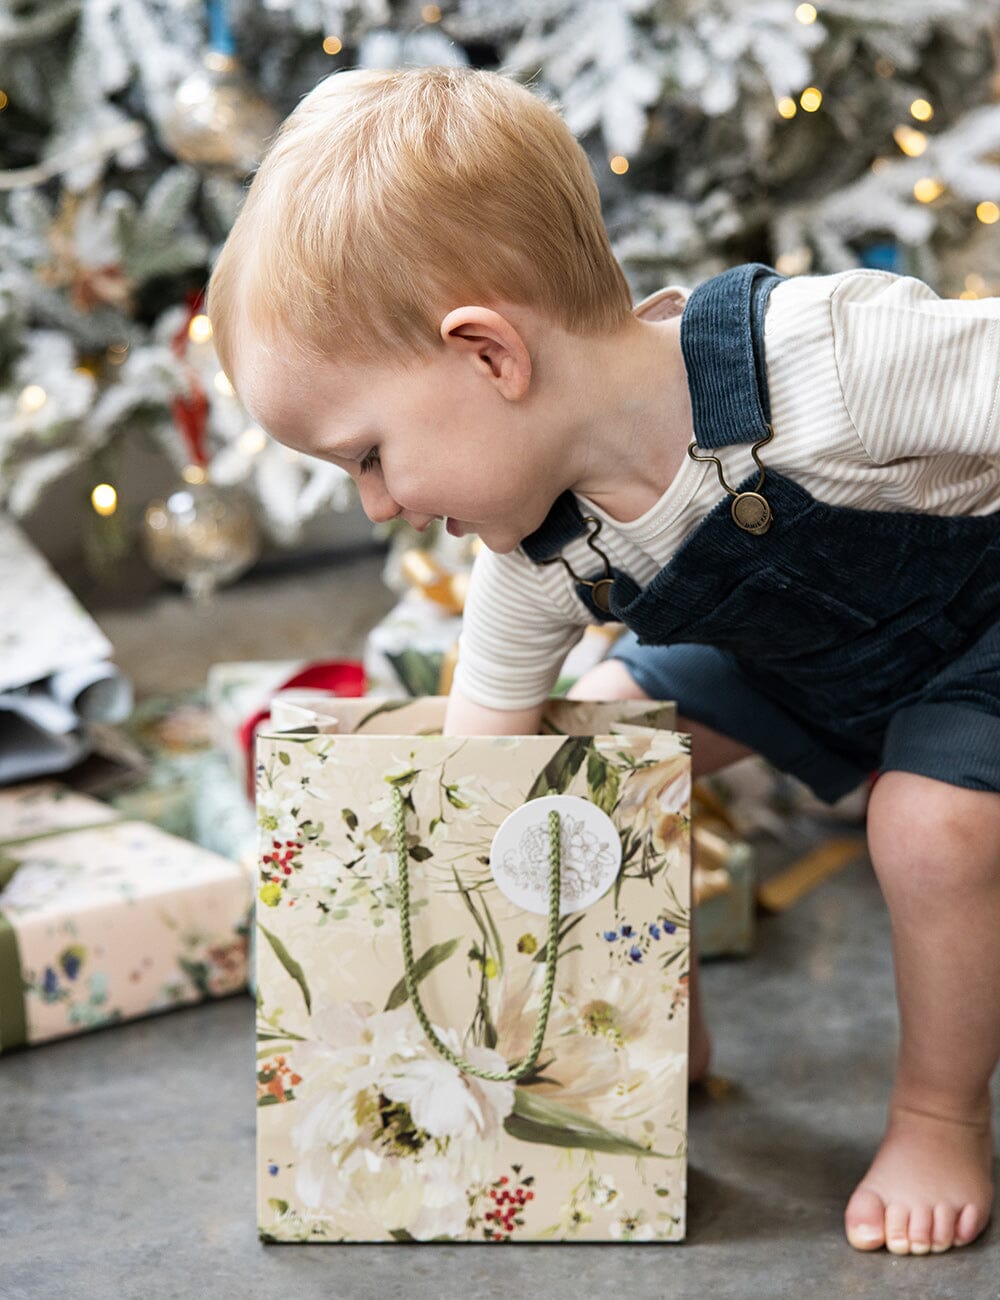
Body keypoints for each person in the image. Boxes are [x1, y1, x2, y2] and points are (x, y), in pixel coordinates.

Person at [206, 65, 999, 1256]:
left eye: (367, 455)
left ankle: (937, 1111)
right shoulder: (536, 554)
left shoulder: (821, 362)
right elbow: (488, 774)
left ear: (487, 355)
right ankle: (637, 1025)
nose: (375, 507)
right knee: (596, 767)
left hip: (976, 626)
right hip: (792, 662)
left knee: (929, 827)